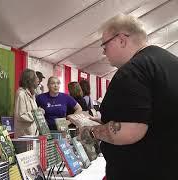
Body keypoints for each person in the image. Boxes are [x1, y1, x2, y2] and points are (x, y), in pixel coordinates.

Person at [76, 14, 178, 180]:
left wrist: (92, 131)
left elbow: (130, 131)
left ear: (122, 40)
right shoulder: (169, 61)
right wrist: (106, 123)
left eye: (105, 45)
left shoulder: (133, 70)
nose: (104, 52)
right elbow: (154, 117)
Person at [14, 69, 39, 138]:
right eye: (36, 77)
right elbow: (21, 115)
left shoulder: (32, 94)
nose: (38, 80)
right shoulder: (21, 94)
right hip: (24, 137)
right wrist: (38, 113)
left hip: (32, 135)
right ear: (30, 80)